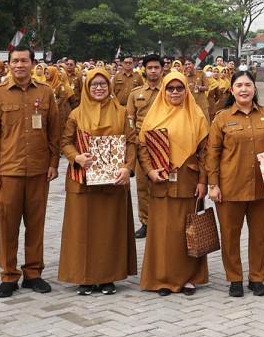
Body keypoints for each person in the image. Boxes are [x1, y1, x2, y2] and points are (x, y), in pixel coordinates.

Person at [206, 70, 264, 297]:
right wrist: (213, 184)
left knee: (260, 236)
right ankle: (234, 279)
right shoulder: (222, 118)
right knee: (230, 236)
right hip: (230, 187)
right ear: (232, 90)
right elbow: (212, 153)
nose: (244, 89)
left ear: (255, 89)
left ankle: (257, 278)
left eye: (248, 85)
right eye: (239, 85)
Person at [0, 46, 61, 298]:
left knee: (36, 224)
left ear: (33, 64)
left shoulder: (45, 92)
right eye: (14, 61)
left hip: (38, 170)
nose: (19, 65)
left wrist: (53, 163)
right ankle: (9, 275)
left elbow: (54, 130)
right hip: (8, 171)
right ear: (9, 64)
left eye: (24, 61)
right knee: (8, 225)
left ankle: (33, 273)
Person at [59, 67, 137, 295]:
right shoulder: (76, 114)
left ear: (109, 86)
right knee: (81, 231)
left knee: (110, 231)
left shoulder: (122, 113)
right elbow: (66, 142)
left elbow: (132, 142)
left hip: (113, 183)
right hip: (83, 182)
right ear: (87, 87)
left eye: (103, 84)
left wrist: (128, 167)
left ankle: (108, 277)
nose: (99, 88)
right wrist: (76, 157)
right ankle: (83, 277)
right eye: (94, 84)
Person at [139, 71, 211, 295]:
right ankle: (162, 278)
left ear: (186, 90)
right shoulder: (154, 115)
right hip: (161, 181)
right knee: (162, 232)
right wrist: (149, 171)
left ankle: (188, 278)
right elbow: (142, 147)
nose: (175, 92)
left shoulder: (196, 114)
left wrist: (203, 182)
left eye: (180, 88)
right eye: (170, 88)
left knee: (186, 230)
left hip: (189, 181)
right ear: (164, 90)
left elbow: (205, 152)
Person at [127, 54, 165, 238]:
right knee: (142, 186)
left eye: (156, 67)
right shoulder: (136, 93)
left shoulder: (169, 90)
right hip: (142, 144)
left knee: (164, 183)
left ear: (162, 70)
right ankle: (146, 222)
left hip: (165, 143)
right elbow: (130, 119)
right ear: (144, 70)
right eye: (150, 68)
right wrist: (132, 139)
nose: (153, 71)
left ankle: (163, 221)